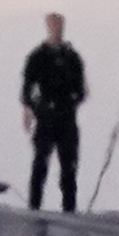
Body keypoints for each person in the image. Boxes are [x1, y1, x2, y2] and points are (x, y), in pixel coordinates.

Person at [19, 13, 87, 210]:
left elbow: (81, 87)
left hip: (67, 116)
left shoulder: (71, 57)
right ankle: (34, 208)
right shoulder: (38, 56)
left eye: (60, 25)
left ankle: (69, 210)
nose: (57, 28)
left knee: (69, 167)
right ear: (48, 26)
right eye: (54, 25)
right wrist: (28, 111)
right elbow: (27, 87)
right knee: (40, 163)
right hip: (45, 117)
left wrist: (73, 101)